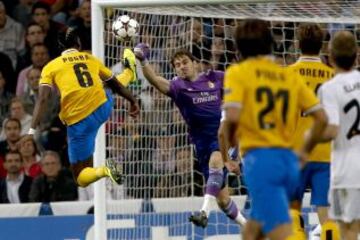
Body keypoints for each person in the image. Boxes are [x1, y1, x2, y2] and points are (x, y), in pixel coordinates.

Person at [219, 19, 328, 240]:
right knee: (255, 227)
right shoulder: (288, 75)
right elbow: (322, 118)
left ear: (239, 47)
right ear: (270, 43)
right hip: (289, 160)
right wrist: (305, 150)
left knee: (282, 232)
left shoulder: (239, 73)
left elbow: (230, 120)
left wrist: (230, 146)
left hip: (260, 159)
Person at [134, 44, 246, 227]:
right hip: (201, 144)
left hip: (225, 136)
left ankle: (203, 213)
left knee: (216, 162)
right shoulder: (177, 87)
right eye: (177, 65)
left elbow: (238, 80)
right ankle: (247, 226)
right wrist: (143, 60)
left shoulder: (214, 77)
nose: (182, 66)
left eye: (185, 62)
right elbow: (154, 79)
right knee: (223, 200)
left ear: (195, 63)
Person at [26, 27, 140, 188]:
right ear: (78, 43)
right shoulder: (90, 58)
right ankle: (129, 71)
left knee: (80, 176)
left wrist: (31, 131)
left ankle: (105, 171)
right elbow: (116, 85)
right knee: (106, 85)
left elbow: (43, 98)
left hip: (79, 122)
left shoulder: (50, 67)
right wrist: (133, 101)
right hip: (103, 107)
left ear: (59, 48)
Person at [288, 23, 339, 240]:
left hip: (294, 153)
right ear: (322, 45)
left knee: (293, 211)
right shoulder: (333, 76)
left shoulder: (286, 75)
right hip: (325, 153)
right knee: (326, 217)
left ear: (298, 44)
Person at [316, 31, 360, 240]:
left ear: (330, 56)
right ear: (357, 55)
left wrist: (312, 137)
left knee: (348, 232)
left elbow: (332, 130)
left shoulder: (330, 89)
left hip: (346, 173)